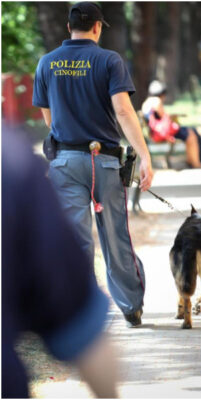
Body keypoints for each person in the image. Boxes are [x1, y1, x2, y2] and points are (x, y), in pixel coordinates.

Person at [32, 2, 154, 328]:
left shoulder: (46, 63)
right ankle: (131, 307)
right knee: (116, 236)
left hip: (65, 161)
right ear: (97, 27)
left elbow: (49, 118)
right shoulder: (109, 60)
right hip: (105, 162)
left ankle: (81, 314)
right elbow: (125, 112)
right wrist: (144, 156)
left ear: (67, 27)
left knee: (75, 239)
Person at [2, 128, 118, 398]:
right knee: (112, 241)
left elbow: (46, 113)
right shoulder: (10, 163)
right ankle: (131, 305)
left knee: (84, 237)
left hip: (65, 156)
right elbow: (82, 332)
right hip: (99, 158)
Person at [142, 80, 201, 168]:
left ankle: (196, 160)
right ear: (162, 93)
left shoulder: (146, 103)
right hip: (163, 133)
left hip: (156, 132)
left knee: (192, 130)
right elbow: (164, 116)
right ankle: (196, 163)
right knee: (191, 134)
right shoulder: (156, 101)